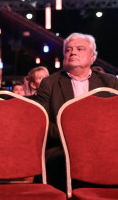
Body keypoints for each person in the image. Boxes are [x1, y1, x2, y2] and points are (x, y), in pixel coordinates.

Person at [36, 32, 118, 191]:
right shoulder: (49, 83)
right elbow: (43, 122)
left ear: (92, 56)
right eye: (68, 50)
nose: (72, 52)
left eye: (80, 49)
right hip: (63, 147)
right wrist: (74, 137)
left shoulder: (110, 82)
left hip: (104, 146)